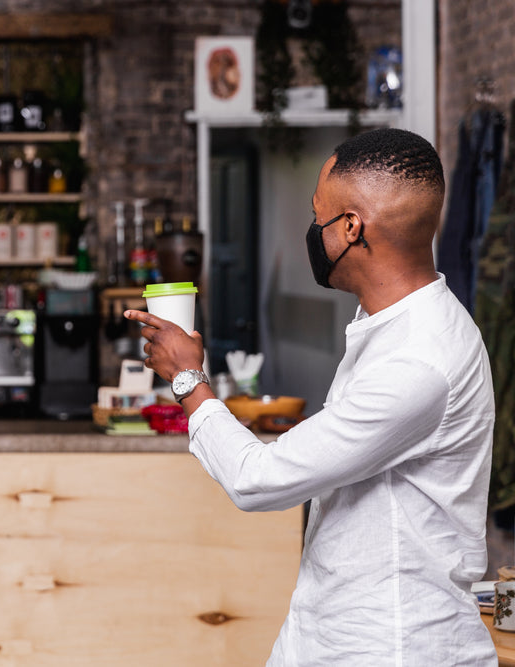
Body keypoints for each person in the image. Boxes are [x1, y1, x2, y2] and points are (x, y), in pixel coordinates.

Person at [126, 128, 497, 665]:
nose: (311, 232)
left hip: (394, 644)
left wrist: (188, 379)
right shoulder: (391, 326)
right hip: (336, 631)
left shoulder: (419, 359)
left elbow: (258, 480)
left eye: (317, 216)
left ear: (351, 227)